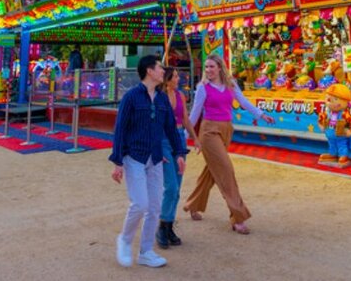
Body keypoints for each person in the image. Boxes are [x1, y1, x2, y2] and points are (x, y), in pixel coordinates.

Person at [182, 54, 274, 235]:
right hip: (209, 132)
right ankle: (238, 217)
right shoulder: (202, 88)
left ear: (220, 68)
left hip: (226, 130)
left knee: (212, 172)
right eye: (206, 67)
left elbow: (243, 102)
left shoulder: (231, 84)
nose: (208, 70)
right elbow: (194, 114)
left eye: (211, 67)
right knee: (226, 171)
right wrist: (184, 136)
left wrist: (261, 115)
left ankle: (193, 204)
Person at [110, 55, 187, 269]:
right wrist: (117, 161)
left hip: (156, 158)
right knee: (140, 204)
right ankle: (124, 241)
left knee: (154, 207)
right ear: (149, 71)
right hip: (134, 157)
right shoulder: (131, 97)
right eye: (160, 68)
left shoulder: (162, 99)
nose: (164, 71)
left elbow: (171, 129)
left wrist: (179, 153)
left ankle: (146, 251)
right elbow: (120, 129)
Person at [156, 66, 200, 249]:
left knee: (178, 186)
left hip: (179, 139)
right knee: (171, 186)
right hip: (164, 140)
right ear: (166, 79)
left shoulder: (181, 95)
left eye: (177, 76)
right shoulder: (159, 97)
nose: (177, 79)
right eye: (174, 76)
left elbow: (186, 119)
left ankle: (169, 225)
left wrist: (195, 138)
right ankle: (162, 225)